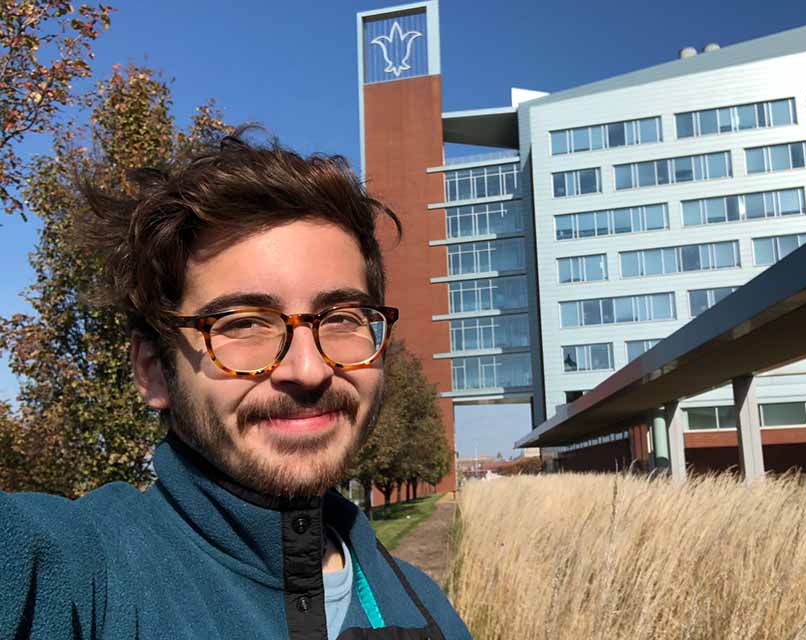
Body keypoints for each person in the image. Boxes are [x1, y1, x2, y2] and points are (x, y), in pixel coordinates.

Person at [0, 131, 472, 640]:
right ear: (153, 370)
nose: (308, 369)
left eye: (341, 318)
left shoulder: (425, 605)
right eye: (244, 324)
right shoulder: (84, 576)